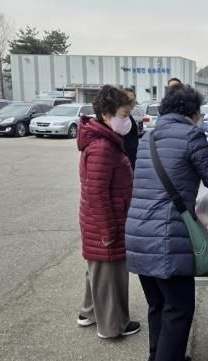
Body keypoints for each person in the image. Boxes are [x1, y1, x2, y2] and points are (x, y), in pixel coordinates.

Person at [126, 84, 208, 361]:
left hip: (138, 234)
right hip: (167, 239)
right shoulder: (191, 135)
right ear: (193, 113)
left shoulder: (148, 138)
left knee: (159, 306)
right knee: (178, 310)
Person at [76, 85, 140, 339]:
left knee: (99, 270)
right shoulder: (103, 147)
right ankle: (112, 327)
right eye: (124, 115)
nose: (127, 121)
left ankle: (89, 312)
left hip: (103, 218)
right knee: (110, 273)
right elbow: (96, 193)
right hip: (106, 220)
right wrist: (108, 231)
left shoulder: (105, 140)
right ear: (106, 115)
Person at [123, 87, 139, 174]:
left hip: (132, 159)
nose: (131, 102)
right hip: (125, 160)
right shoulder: (120, 117)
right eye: (128, 99)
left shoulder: (129, 116)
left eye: (133, 99)